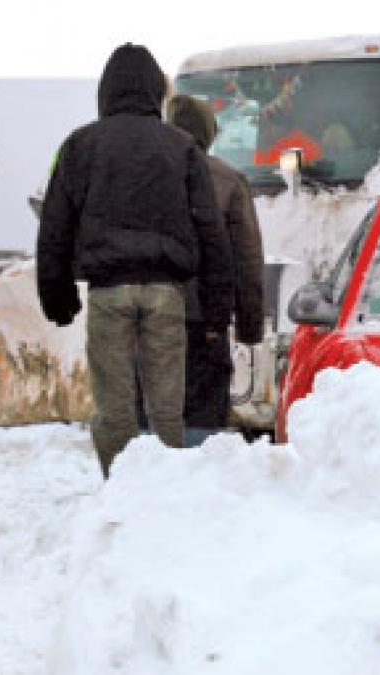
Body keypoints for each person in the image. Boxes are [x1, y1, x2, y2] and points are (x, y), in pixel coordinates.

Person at [37, 44, 233, 478]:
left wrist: (58, 297)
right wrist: (219, 306)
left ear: (106, 91)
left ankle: (121, 489)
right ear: (153, 93)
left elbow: (55, 227)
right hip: (167, 293)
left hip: (108, 293)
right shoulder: (181, 147)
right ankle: (161, 495)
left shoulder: (80, 145)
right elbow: (210, 231)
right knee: (167, 407)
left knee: (115, 408)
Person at [165, 94, 266, 445]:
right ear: (209, 133)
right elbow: (247, 259)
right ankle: (197, 484)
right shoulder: (228, 180)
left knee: (149, 411)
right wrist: (251, 326)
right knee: (203, 415)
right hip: (204, 320)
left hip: (147, 317)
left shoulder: (145, 176)